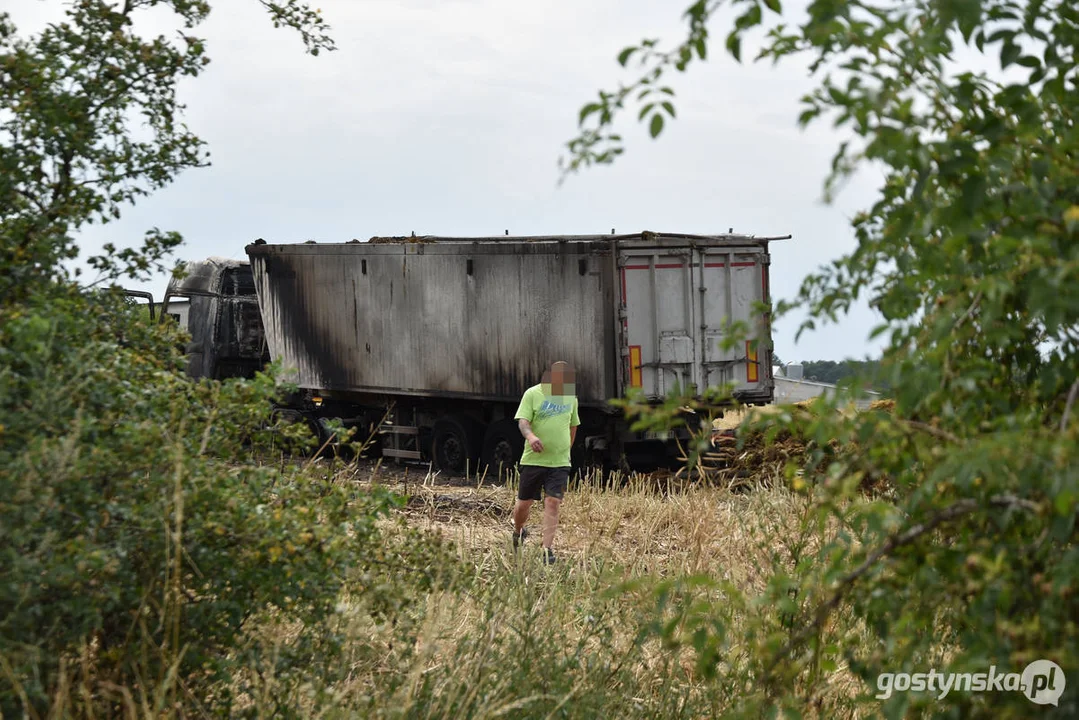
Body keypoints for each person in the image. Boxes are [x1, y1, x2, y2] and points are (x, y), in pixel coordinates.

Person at [512, 360, 579, 564]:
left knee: (553, 502)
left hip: (559, 462)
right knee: (524, 504)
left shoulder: (570, 398)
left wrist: (566, 450)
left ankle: (547, 549)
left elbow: (573, 425)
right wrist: (531, 437)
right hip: (533, 460)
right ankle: (518, 530)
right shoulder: (532, 394)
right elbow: (523, 422)